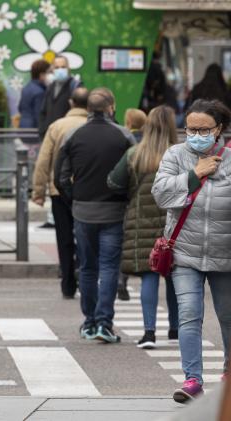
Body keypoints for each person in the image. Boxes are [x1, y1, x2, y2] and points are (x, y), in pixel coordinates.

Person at [151, 99, 231, 403]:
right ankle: (192, 379)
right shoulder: (175, 154)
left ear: (218, 129)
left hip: (225, 253)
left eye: (204, 129)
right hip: (185, 252)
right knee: (188, 314)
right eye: (191, 129)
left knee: (228, 316)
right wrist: (193, 174)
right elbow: (160, 194)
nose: (196, 134)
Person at [54, 87, 135, 343]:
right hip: (114, 210)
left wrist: (73, 198)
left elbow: (61, 176)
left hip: (82, 210)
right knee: (109, 267)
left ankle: (89, 322)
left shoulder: (73, 135)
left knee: (87, 267)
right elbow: (133, 171)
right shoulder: (124, 135)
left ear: (88, 109)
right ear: (111, 107)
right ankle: (104, 323)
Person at [107, 106, 179, 349]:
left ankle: (149, 333)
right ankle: (175, 328)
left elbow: (113, 182)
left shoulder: (135, 154)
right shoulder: (180, 155)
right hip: (175, 222)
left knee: (150, 275)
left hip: (140, 221)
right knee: (174, 276)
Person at [32, 87, 89, 299]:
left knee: (64, 238)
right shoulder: (92, 125)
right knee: (86, 236)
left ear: (72, 103)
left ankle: (67, 284)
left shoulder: (56, 126)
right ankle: (85, 276)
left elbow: (43, 160)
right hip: (87, 191)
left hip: (59, 191)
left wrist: (38, 191)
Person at [116, 108, 147, 301]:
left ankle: (122, 280)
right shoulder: (151, 141)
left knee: (124, 243)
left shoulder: (125, 141)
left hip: (129, 198)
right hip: (148, 200)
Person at [38, 55, 81, 140]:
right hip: (50, 136)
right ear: (52, 70)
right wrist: (42, 131)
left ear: (68, 68)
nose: (60, 70)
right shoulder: (50, 87)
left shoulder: (75, 86)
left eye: (63, 67)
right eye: (57, 67)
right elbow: (43, 111)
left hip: (67, 137)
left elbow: (79, 113)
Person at [18, 59, 50, 129]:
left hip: (22, 127)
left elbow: (20, 108)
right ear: (42, 75)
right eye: (49, 72)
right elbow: (39, 115)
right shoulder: (40, 92)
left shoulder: (26, 88)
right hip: (33, 130)